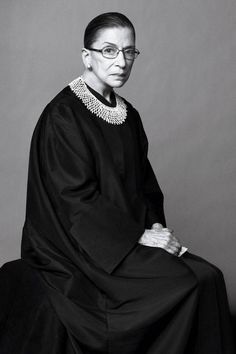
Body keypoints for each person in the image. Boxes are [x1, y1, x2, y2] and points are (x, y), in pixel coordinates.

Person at [0, 12, 235, 354]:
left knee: (210, 276)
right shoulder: (64, 115)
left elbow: (146, 187)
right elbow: (73, 202)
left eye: (129, 52)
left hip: (124, 236)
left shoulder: (129, 115)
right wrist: (138, 235)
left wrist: (155, 226)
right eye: (109, 50)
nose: (121, 61)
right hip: (76, 245)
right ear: (87, 56)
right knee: (184, 283)